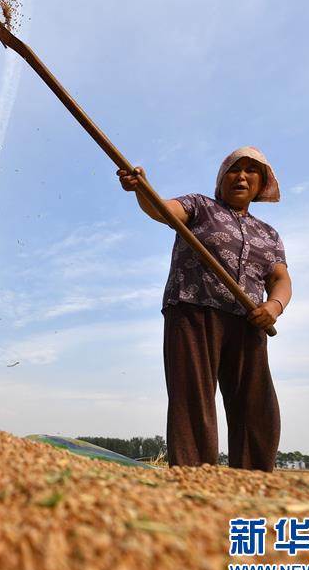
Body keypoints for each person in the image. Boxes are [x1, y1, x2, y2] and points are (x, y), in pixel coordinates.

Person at [117, 146, 292, 472]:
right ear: (221, 179)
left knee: (256, 406)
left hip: (249, 321)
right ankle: (194, 478)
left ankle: (253, 480)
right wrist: (141, 188)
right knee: (193, 400)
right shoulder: (200, 206)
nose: (241, 176)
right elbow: (162, 209)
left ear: (260, 182)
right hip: (194, 312)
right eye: (233, 169)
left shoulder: (269, 234)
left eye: (250, 170)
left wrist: (274, 306)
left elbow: (280, 279)